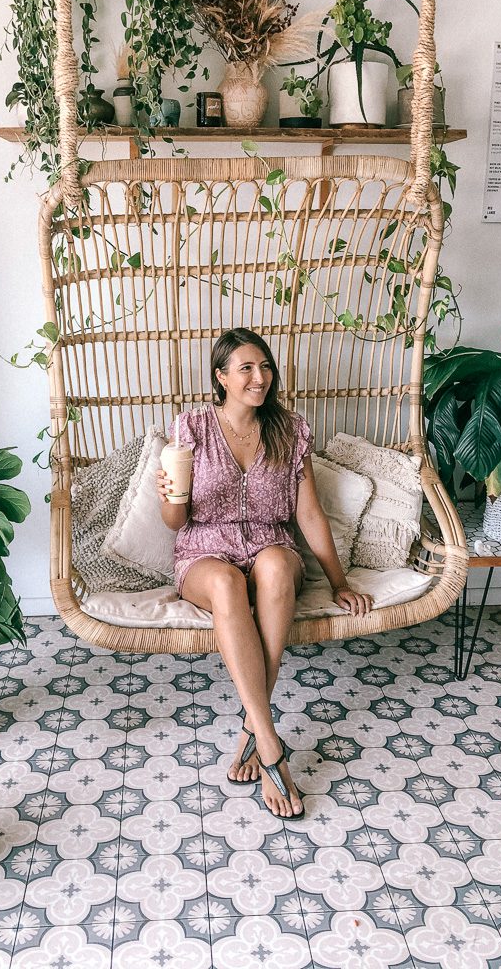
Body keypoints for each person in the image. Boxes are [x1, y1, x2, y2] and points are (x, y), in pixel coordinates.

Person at [157, 327, 372, 819]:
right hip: (203, 552)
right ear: (221, 378)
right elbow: (176, 520)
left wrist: (338, 581)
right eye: (246, 369)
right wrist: (169, 494)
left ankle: (254, 726)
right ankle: (270, 741)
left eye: (266, 367)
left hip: (270, 544)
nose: (260, 378)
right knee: (227, 582)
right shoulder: (191, 427)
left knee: (276, 565)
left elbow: (309, 514)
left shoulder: (290, 430)